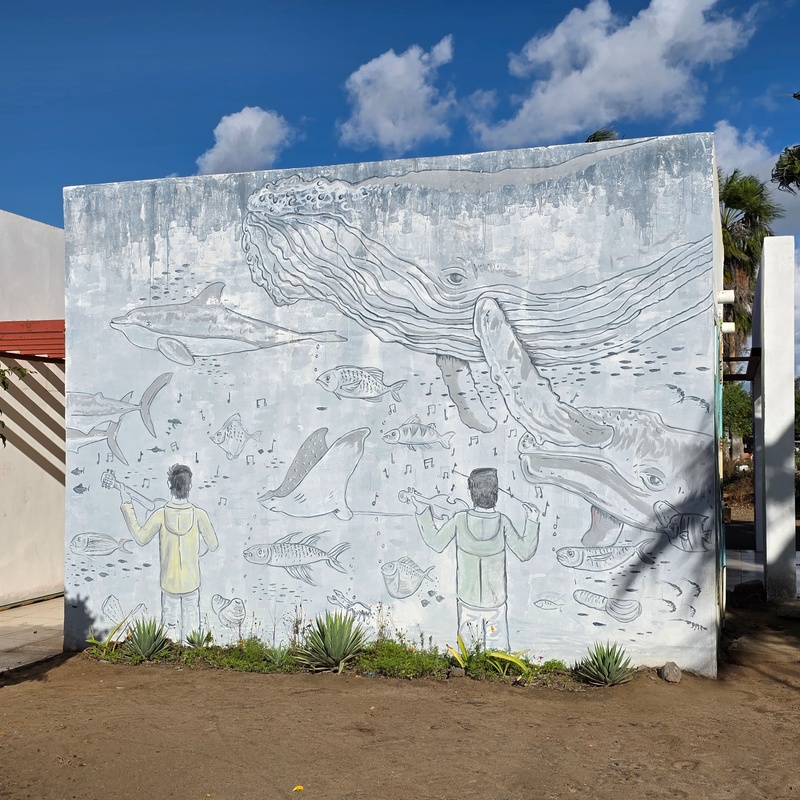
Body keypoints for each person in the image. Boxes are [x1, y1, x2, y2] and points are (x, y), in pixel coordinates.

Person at [413, 467, 540, 650]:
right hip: (495, 603)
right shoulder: (502, 521)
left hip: (467, 602)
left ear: (471, 492)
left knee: (468, 650)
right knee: (499, 651)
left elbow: (435, 542)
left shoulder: (460, 519)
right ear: (496, 493)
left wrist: (422, 511)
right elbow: (525, 552)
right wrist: (533, 521)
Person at [118, 464, 218, 641]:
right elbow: (213, 545)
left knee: (169, 632)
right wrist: (195, 551)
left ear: (169, 484)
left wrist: (127, 506)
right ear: (190, 486)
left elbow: (141, 538)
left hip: (168, 583)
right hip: (191, 582)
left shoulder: (160, 514)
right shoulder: (199, 515)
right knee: (193, 630)